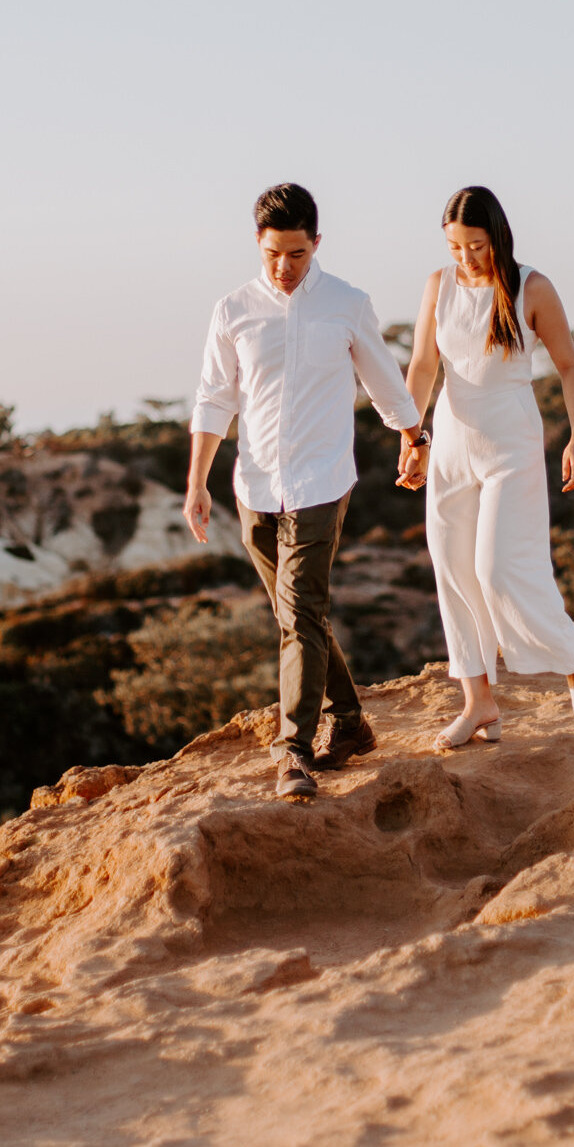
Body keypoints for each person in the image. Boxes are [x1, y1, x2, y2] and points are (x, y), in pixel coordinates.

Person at [185, 183, 430, 798]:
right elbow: (215, 397)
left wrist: (413, 436)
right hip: (254, 484)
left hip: (321, 480)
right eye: (272, 253)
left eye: (296, 253)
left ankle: (292, 750)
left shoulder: (347, 303)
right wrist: (197, 481)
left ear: (316, 243)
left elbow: (382, 377)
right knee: (298, 614)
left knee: (297, 614)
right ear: (258, 245)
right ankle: (351, 721)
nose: (284, 267)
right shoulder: (233, 309)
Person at [397, 185, 574, 747]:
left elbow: (569, 366)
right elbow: (422, 366)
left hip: (511, 443)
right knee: (454, 574)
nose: (465, 258)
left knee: (499, 571)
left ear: (498, 237)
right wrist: (413, 436)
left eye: (476, 246)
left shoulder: (531, 287)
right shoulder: (438, 286)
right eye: (455, 246)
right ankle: (479, 705)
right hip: (449, 442)